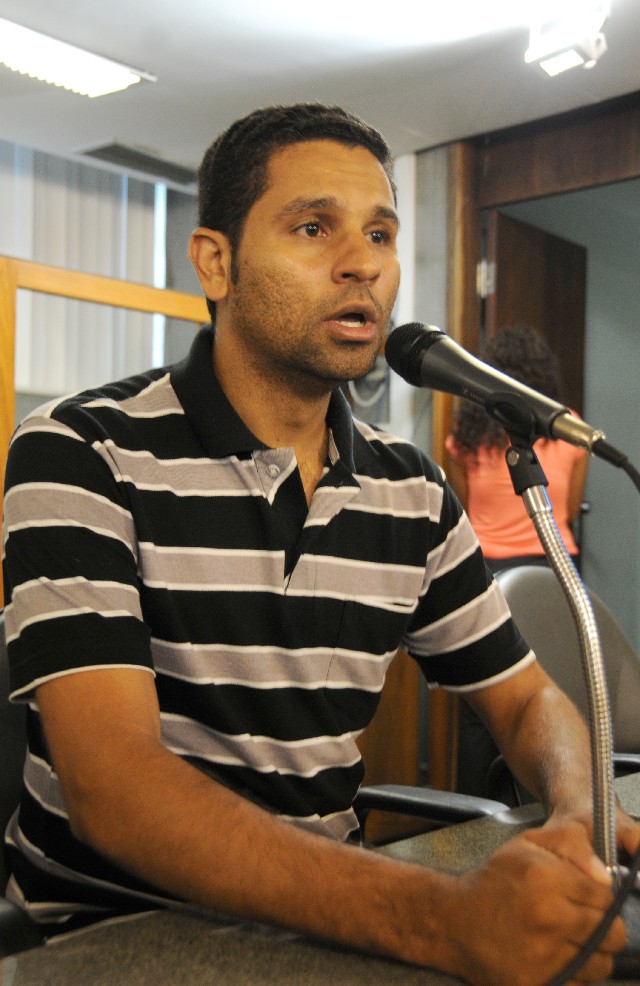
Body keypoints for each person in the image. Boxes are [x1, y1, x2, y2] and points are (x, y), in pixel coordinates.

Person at [2, 103, 637, 986]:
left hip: (331, 928)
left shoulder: (412, 491)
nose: (362, 264)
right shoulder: (80, 450)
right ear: (215, 262)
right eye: (313, 228)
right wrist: (443, 918)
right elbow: (114, 787)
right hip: (112, 940)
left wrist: (576, 808)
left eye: (380, 234)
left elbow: (528, 700)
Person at [445, 324, 590, 573]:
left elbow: (464, 506)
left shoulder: (467, 432)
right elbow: (572, 510)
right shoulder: (569, 428)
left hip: (485, 564)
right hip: (555, 563)